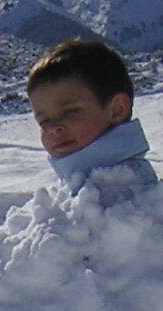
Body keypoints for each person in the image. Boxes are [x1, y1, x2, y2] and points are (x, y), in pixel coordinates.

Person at [26, 38, 156, 197]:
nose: (53, 128)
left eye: (69, 112)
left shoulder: (132, 196)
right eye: (44, 121)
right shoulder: (73, 192)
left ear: (116, 110)